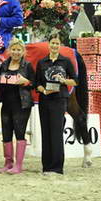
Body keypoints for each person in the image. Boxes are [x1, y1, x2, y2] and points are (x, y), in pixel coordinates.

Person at [35, 33, 78, 175]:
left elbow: (75, 81)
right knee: (45, 132)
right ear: (48, 44)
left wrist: (64, 81)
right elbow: (37, 83)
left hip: (59, 100)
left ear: (60, 45)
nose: (54, 45)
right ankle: (46, 166)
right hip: (45, 100)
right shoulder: (42, 62)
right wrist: (43, 90)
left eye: (57, 43)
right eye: (52, 43)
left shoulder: (65, 61)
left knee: (56, 132)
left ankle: (57, 167)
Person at [0, 38, 35, 174]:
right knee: (6, 133)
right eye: (13, 49)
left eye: (19, 50)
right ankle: (8, 163)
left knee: (19, 133)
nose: (16, 52)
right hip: (6, 104)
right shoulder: (4, 65)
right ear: (9, 51)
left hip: (22, 105)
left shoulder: (27, 66)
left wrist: (26, 82)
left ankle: (18, 165)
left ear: (23, 51)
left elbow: (35, 83)